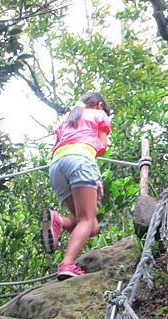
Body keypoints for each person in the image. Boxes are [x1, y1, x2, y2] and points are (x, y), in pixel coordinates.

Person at [40, 91, 111, 280]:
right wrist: (95, 181)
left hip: (56, 166)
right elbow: (101, 147)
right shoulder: (99, 114)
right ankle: (68, 265)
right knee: (87, 220)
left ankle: (59, 221)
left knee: (91, 225)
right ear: (100, 105)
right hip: (80, 161)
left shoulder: (67, 118)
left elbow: (59, 144)